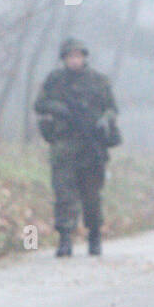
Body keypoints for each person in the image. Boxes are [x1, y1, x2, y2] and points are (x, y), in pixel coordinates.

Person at [33, 37, 119, 257]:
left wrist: (104, 120)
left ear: (84, 57)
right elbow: (40, 104)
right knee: (64, 195)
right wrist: (59, 109)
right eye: (71, 56)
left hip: (91, 147)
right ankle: (64, 239)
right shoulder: (55, 80)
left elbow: (112, 108)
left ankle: (95, 236)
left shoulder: (99, 81)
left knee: (91, 195)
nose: (75, 60)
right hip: (64, 146)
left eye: (78, 56)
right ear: (64, 58)